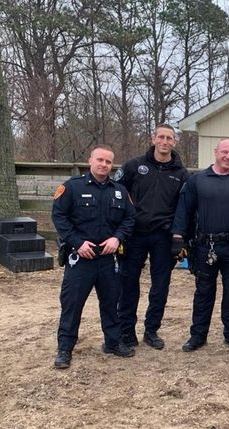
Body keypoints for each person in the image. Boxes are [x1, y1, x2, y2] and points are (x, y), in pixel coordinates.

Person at [171, 138, 229, 353]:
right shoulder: (198, 181)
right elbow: (183, 210)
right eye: (224, 152)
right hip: (205, 247)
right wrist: (177, 238)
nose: (228, 157)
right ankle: (198, 336)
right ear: (216, 152)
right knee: (203, 292)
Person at [52, 145, 136, 369]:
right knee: (72, 305)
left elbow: (130, 219)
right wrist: (77, 243)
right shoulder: (72, 187)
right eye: (100, 160)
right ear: (90, 160)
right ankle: (65, 349)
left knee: (111, 303)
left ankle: (113, 342)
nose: (104, 165)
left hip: (108, 259)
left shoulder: (119, 191)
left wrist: (117, 238)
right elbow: (59, 216)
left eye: (108, 162)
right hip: (81, 258)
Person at [114, 124, 189, 350]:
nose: (165, 142)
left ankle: (151, 330)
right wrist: (121, 227)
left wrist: (179, 237)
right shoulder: (134, 166)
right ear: (153, 139)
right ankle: (127, 331)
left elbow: (185, 208)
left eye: (170, 138)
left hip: (162, 236)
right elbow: (116, 192)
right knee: (128, 283)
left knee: (160, 286)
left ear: (174, 142)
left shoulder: (182, 173)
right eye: (161, 137)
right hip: (134, 234)